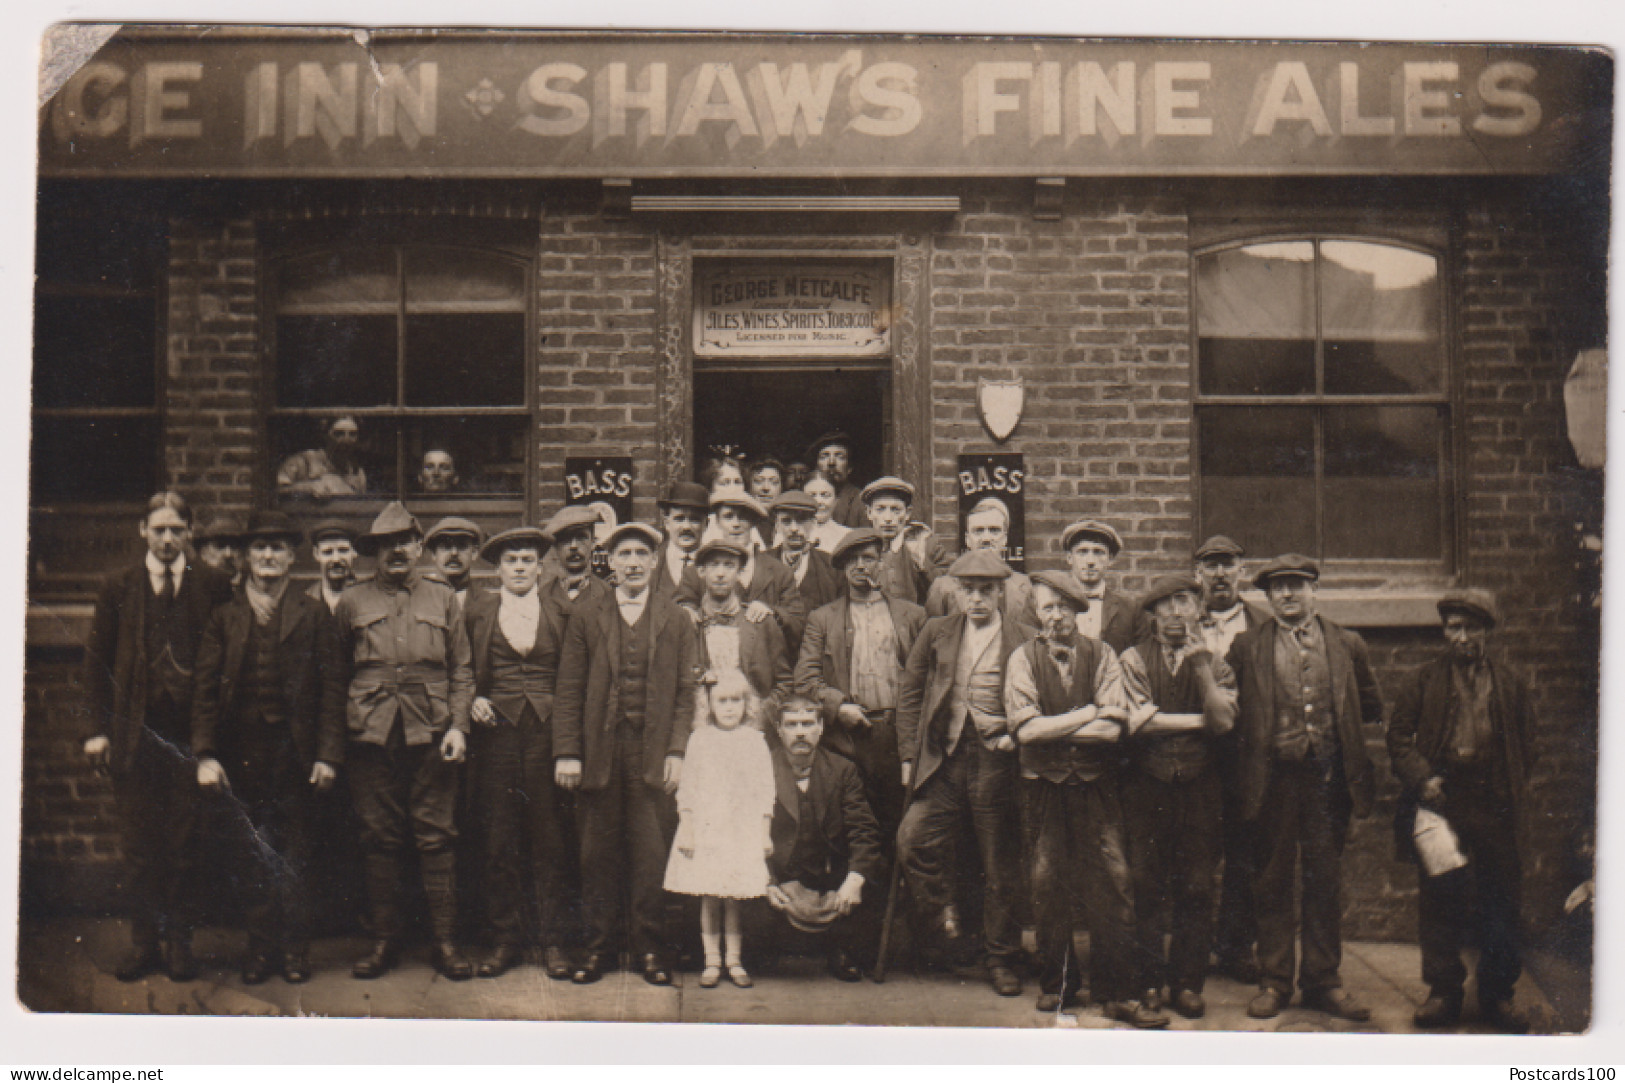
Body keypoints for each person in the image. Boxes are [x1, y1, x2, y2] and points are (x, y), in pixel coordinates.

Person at [82, 492, 232, 982]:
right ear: (142, 531)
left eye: (177, 529)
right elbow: (96, 663)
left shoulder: (212, 584)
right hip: (134, 734)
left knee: (185, 842)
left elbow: (225, 661)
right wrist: (96, 732)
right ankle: (144, 942)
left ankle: (179, 943)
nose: (168, 539)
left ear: (190, 533)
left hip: (188, 735)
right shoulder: (118, 586)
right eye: (159, 528)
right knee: (140, 845)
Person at [1226, 554, 1384, 1022]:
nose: (1288, 594)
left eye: (1297, 585)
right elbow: (1228, 713)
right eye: (1277, 588)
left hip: (1326, 781)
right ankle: (1275, 981)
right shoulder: (1245, 645)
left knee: (1324, 881)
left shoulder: (1347, 643)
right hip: (1272, 781)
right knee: (1272, 879)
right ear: (1268, 596)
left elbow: (1370, 705)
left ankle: (1323, 981)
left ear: (1314, 589)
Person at [1004, 571, 1165, 1027]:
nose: (1055, 616)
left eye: (1064, 607)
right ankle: (1059, 986)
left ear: (1078, 612)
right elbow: (1025, 731)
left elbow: (1114, 728)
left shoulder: (1103, 654)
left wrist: (1067, 724)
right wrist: (1086, 712)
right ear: (1037, 611)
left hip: (1096, 785)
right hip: (1043, 787)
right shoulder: (1021, 658)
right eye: (1047, 607)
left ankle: (1119, 991)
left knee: (1112, 883)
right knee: (1047, 884)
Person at [190, 510, 344, 985]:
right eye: (260, 548)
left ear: (293, 556)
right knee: (252, 850)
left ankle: (295, 950)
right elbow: (205, 689)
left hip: (295, 750)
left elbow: (333, 688)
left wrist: (328, 754)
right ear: (248, 557)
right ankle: (260, 949)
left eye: (278, 547)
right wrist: (206, 753)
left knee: (296, 851)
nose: (269, 556)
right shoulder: (226, 616)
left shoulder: (313, 612)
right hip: (243, 750)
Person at [327, 502, 476, 981]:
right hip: (370, 732)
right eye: (385, 544)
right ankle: (384, 942)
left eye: (404, 542)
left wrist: (457, 726)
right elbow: (334, 675)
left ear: (418, 547)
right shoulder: (352, 602)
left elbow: (462, 670)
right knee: (379, 837)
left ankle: (446, 944)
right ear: (373, 552)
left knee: (437, 836)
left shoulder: (442, 598)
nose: (396, 551)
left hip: (431, 732)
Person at [553, 521, 700, 986]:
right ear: (610, 563)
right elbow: (569, 689)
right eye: (624, 555)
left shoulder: (675, 618)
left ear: (655, 562)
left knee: (649, 852)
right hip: (600, 749)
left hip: (652, 751)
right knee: (596, 854)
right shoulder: (587, 616)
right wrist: (568, 753)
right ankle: (598, 950)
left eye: (642, 554)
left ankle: (650, 951)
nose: (633, 563)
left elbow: (684, 693)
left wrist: (677, 750)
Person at [1387, 589, 1533, 1033]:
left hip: (1494, 804)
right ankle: (1443, 992)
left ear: (1487, 631)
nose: (1462, 636)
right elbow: (1398, 740)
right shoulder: (1424, 680)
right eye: (1454, 628)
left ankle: (1497, 995)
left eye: (1471, 628)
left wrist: (1510, 785)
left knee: (1501, 900)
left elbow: (1530, 747)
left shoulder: (1510, 683)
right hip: (1441, 803)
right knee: (1440, 899)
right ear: (1445, 632)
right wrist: (1423, 780)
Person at [895, 549, 1033, 998]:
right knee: (912, 840)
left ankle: (1000, 957)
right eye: (968, 590)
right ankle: (947, 926)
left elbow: (1037, 700)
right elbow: (911, 693)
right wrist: (906, 757)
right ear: (956, 592)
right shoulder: (937, 631)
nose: (977, 599)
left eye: (986, 590)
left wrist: (1018, 735)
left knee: (1001, 863)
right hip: (943, 758)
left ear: (1000, 592)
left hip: (998, 760)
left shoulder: (1024, 638)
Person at [1118, 574, 1238, 1020]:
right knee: (1145, 885)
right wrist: (1197, 721)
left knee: (1197, 886)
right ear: (1151, 615)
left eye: (1182, 603)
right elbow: (1139, 723)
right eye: (1163, 605)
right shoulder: (1132, 659)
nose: (1173, 613)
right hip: (1146, 786)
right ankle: (1148, 981)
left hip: (1200, 787)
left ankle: (1187, 983)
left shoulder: (1217, 661)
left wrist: (1201, 665)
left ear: (1196, 609)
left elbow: (1224, 722)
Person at [462, 526, 579, 980]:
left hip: (548, 734)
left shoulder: (559, 610)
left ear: (540, 566)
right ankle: (505, 940)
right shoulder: (480, 610)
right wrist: (474, 697)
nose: (519, 569)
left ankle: (554, 943)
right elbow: (465, 667)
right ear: (497, 567)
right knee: (500, 840)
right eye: (511, 561)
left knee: (550, 840)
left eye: (527, 561)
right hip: (498, 736)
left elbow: (572, 674)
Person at [793, 527, 927, 851]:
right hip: (850, 737)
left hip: (901, 734)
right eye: (851, 561)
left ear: (882, 562)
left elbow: (929, 676)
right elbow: (805, 679)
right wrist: (839, 708)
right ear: (841, 568)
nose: (861, 566)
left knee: (903, 825)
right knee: (856, 827)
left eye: (868, 558)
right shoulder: (822, 619)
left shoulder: (912, 615)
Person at [664, 670, 777, 989]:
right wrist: (687, 829)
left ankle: (734, 960)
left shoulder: (755, 741)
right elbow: (687, 787)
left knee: (734, 896)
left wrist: (764, 831)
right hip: (707, 825)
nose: (729, 707)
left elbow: (765, 789)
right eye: (722, 701)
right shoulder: (700, 739)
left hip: (740, 827)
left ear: (746, 704)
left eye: (735, 701)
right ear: (710, 705)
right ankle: (712, 960)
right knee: (710, 895)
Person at [764, 694, 886, 983]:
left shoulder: (843, 770)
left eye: (808, 723)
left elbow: (864, 831)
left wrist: (853, 881)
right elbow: (742, 831)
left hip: (830, 878)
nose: (800, 732)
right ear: (779, 730)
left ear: (820, 728)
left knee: (871, 878)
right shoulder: (762, 767)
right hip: (780, 881)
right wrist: (766, 881)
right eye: (792, 725)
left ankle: (841, 950)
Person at [1193, 534, 1271, 985]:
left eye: (1228, 566)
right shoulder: (1183, 621)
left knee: (1246, 853)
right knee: (1198, 852)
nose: (1220, 575)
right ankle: (1196, 944)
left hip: (1245, 756)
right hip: (1197, 752)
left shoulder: (1262, 624)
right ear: (1198, 574)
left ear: (1241, 571)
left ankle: (1236, 946)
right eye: (1211, 566)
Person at [678, 492, 807, 652]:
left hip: (764, 663)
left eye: (743, 517)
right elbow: (682, 606)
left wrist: (772, 613)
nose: (736, 524)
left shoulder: (780, 572)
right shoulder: (696, 571)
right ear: (717, 521)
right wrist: (687, 611)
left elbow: (798, 623)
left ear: (753, 522)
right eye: (728, 516)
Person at [691, 539, 793, 704]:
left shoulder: (761, 623)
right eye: (713, 565)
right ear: (701, 571)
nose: (720, 573)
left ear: (740, 572)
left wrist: (759, 715)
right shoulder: (688, 624)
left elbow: (785, 683)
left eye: (729, 565)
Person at [926, 496, 1033, 622]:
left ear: (1005, 539)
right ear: (967, 539)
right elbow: (934, 634)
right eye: (978, 531)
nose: (986, 538)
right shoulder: (943, 587)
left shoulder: (1026, 586)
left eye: (994, 530)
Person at [1060, 520, 1150, 654]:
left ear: (1111, 559)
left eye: (1098, 552)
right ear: (1069, 558)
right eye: (1082, 552)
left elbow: (1143, 659)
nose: (1090, 561)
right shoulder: (1046, 605)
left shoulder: (1131, 611)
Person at [862, 477, 951, 606]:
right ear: (869, 513)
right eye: (880, 509)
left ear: (907, 513)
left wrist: (921, 563)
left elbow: (945, 589)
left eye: (895, 510)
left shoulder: (928, 545)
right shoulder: (860, 548)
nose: (888, 518)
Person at [768, 490, 842, 616]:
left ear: (813, 523)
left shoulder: (832, 566)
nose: (794, 528)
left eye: (801, 520)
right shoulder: (763, 562)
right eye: (786, 521)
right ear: (777, 525)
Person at [276, 415, 366, 498]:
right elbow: (278, 490)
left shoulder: (357, 472)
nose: (346, 440)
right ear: (325, 436)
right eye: (339, 434)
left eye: (352, 434)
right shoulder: (302, 462)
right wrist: (307, 487)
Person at [654, 481, 710, 597]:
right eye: (679, 519)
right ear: (667, 523)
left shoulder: (715, 562)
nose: (686, 527)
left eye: (695, 520)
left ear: (706, 524)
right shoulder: (652, 562)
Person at [807, 431, 866, 528]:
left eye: (839, 456)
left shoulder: (861, 501)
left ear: (849, 467)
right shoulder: (806, 496)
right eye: (824, 456)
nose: (831, 462)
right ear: (816, 466)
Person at [424, 517, 485, 606]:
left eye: (462, 546)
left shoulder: (489, 602)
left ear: (474, 553)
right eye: (446, 546)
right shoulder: (418, 599)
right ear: (434, 553)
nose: (454, 553)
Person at [307, 520, 360, 613]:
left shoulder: (368, 597)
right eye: (327, 552)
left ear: (355, 551)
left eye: (343, 550)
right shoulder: (306, 600)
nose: (336, 559)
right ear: (316, 554)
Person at [803, 475, 852, 555]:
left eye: (825, 495)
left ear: (836, 500)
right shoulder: (787, 534)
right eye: (812, 495)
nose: (818, 501)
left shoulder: (848, 536)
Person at [194, 516, 244, 589]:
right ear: (203, 551)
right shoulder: (190, 574)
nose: (228, 554)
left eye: (234, 546)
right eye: (220, 545)